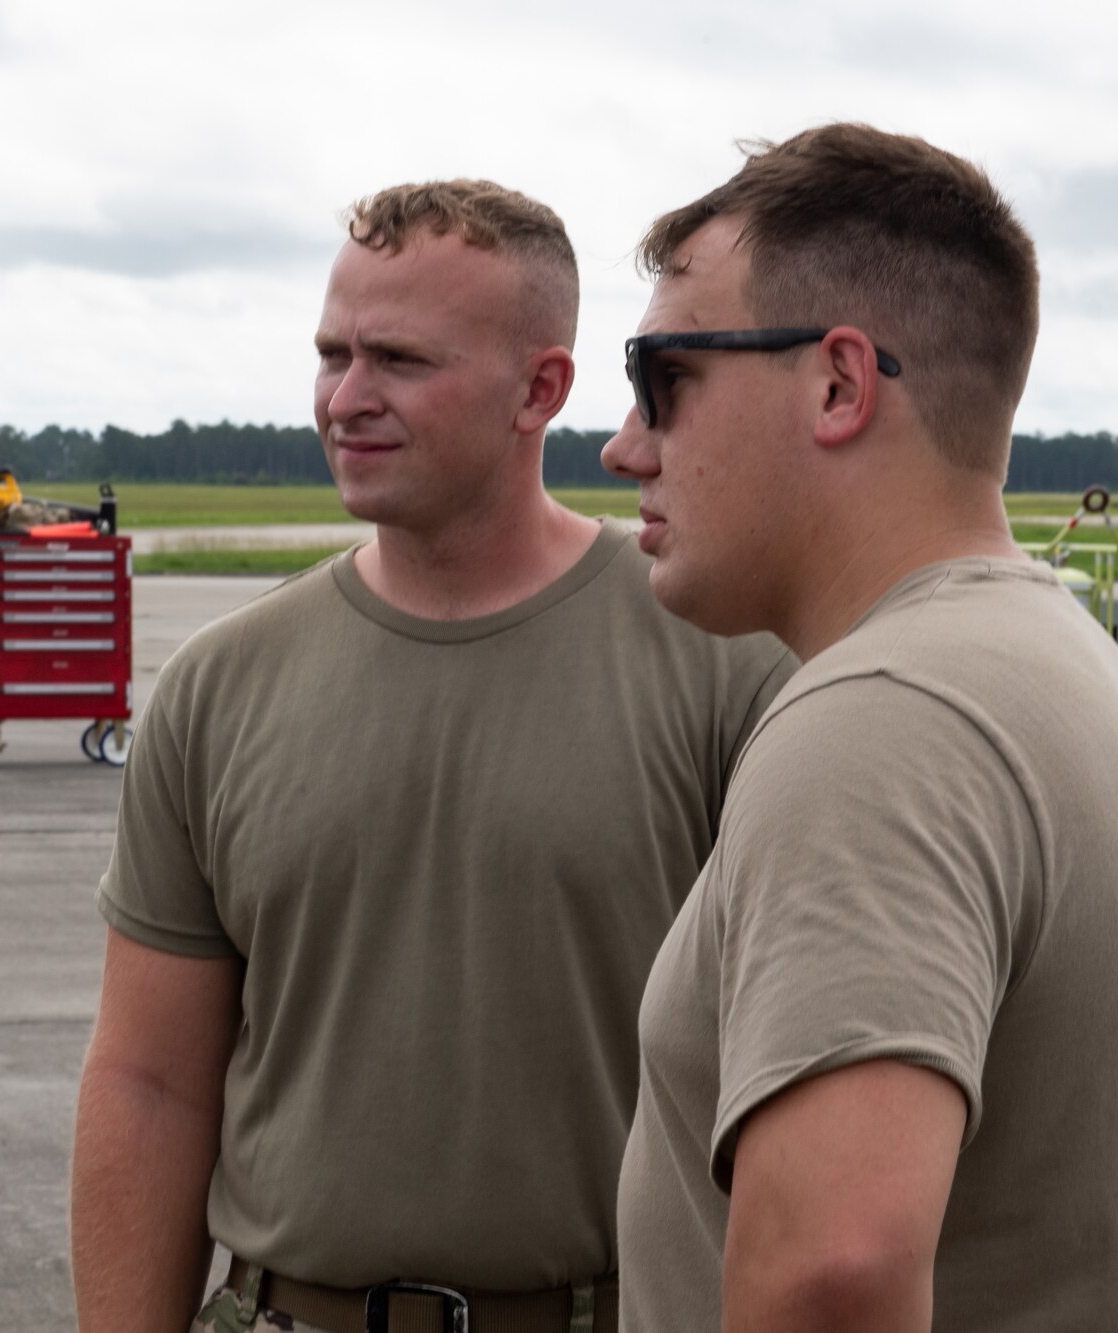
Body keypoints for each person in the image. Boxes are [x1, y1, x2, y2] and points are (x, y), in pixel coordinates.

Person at [70, 179, 795, 1333]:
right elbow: (149, 1085)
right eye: (330, 354)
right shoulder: (217, 687)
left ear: (541, 390)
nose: (345, 398)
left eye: (399, 360)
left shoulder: (725, 669)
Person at [602, 125, 1118, 1333]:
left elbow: (829, 1271)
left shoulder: (882, 725)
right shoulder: (1054, 666)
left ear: (837, 383)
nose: (625, 442)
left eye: (662, 378)